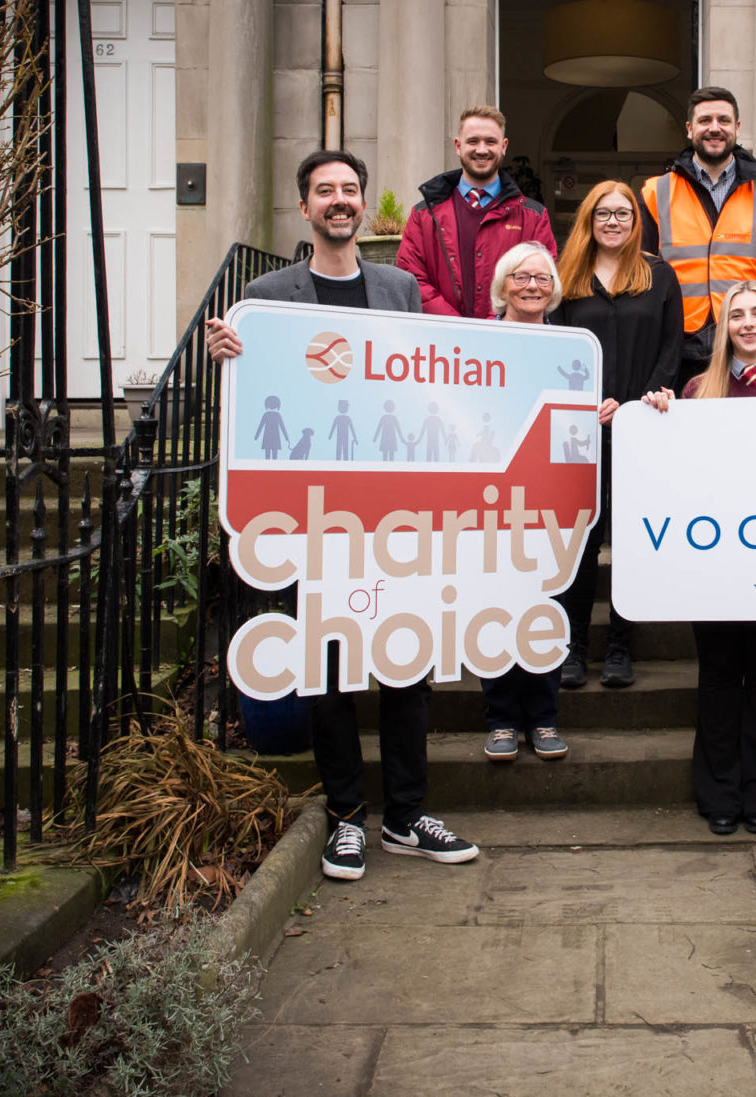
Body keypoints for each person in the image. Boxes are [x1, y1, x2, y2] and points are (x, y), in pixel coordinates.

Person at [203, 149, 477, 881]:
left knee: (406, 663)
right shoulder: (266, 293)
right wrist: (221, 352)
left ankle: (406, 814)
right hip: (311, 515)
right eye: (325, 190)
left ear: (362, 204)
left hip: (394, 513)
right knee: (328, 670)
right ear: (305, 207)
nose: (340, 200)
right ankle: (347, 816)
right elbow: (249, 385)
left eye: (350, 189)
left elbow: (427, 381)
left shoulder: (397, 288)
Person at [642, 282, 756, 836]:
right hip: (714, 559)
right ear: (724, 328)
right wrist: (660, 414)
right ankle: (718, 792)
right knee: (718, 676)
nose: (747, 323)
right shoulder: (698, 388)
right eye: (736, 315)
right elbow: (675, 465)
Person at [553, 181, 684, 691]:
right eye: (603, 213)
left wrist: (638, 402)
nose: (613, 222)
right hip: (579, 432)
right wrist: (584, 401)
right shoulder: (568, 276)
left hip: (640, 428)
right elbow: (559, 349)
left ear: (636, 221)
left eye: (622, 213)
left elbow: (672, 347)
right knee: (581, 541)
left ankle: (620, 647)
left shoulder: (658, 275)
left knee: (628, 542)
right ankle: (572, 646)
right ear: (588, 219)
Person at [478, 241, 572, 765]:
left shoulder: (572, 346)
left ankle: (543, 717)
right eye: (521, 277)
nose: (532, 286)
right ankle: (501, 720)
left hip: (552, 498)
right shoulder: (477, 341)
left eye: (541, 278)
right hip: (491, 496)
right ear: (503, 285)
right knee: (495, 601)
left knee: (545, 603)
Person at [640, 87, 756, 393]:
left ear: (737, 127)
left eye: (724, 120)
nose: (714, 128)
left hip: (747, 345)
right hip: (677, 349)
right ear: (689, 129)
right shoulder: (656, 192)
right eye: (705, 120)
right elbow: (642, 275)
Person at [397, 106, 556, 320]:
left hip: (507, 342)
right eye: (473, 141)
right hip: (442, 343)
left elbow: (544, 279)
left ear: (504, 146)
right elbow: (412, 278)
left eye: (490, 141)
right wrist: (460, 328)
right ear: (458, 146)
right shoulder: (423, 215)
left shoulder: (533, 216)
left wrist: (494, 326)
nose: (481, 150)